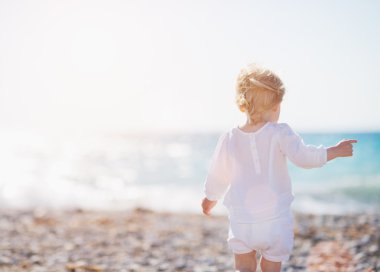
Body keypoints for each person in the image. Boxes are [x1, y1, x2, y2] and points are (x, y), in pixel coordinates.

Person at [201, 63, 357, 272]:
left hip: (242, 220)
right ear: (276, 106)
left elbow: (218, 174)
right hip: (275, 221)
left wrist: (210, 198)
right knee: (272, 264)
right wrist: (334, 151)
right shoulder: (280, 133)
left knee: (244, 265)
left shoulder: (230, 138)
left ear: (242, 106)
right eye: (277, 106)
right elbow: (304, 157)